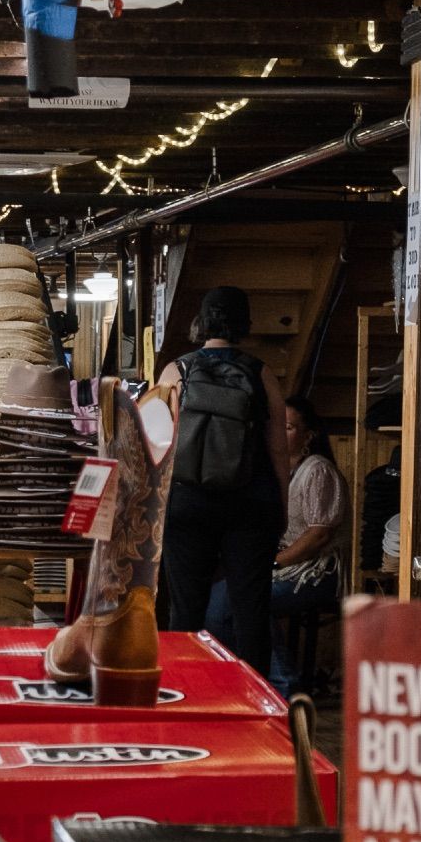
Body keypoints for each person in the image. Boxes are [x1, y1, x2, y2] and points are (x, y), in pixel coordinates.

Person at [158, 285, 290, 679]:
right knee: (250, 606)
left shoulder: (175, 371)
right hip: (249, 502)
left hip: (187, 502)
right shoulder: (260, 372)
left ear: (201, 321)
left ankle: (185, 691)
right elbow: (279, 448)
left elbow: (159, 446)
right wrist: (281, 504)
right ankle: (254, 700)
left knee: (185, 607)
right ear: (243, 323)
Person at [205, 395, 348, 695]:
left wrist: (273, 562)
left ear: (308, 436)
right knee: (217, 603)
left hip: (315, 571)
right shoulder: (273, 468)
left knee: (250, 598)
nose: (279, 433)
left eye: (289, 427)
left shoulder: (317, 470)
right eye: (275, 426)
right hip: (280, 564)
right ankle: (242, 680)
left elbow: (318, 535)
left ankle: (284, 687)